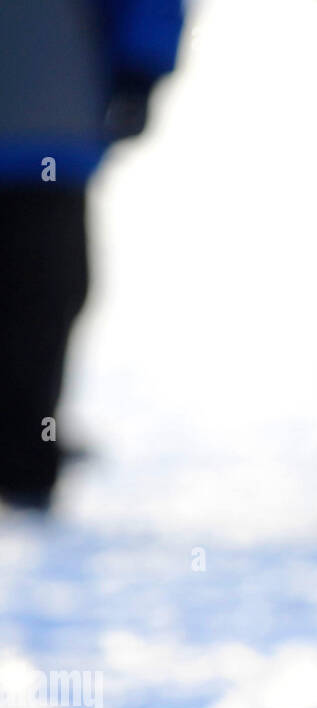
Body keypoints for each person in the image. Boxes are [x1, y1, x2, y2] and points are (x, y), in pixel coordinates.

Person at [0, 0, 183, 510]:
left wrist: (139, 68)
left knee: (42, 304)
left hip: (48, 129)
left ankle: (25, 459)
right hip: (52, 120)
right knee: (43, 302)